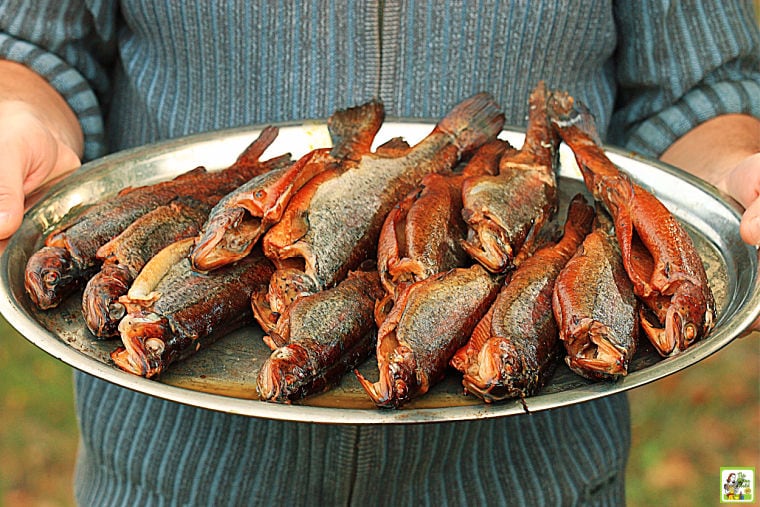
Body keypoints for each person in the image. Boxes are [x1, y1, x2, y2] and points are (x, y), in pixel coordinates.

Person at [1, 1, 758, 505]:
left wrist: (734, 181)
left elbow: (698, 86)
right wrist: (20, 111)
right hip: (168, 474)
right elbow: (36, 38)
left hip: (535, 477)